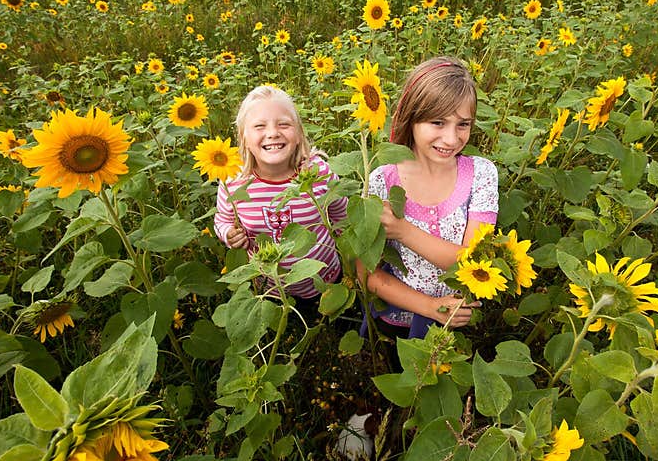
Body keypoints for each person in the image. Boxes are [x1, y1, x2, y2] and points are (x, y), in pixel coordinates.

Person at [359, 55, 499, 349]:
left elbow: (473, 260)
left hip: (458, 318)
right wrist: (429, 306)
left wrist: (403, 231)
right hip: (395, 317)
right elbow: (365, 273)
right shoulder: (382, 181)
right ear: (412, 118)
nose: (451, 138)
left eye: (463, 124)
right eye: (437, 122)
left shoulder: (481, 175)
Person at [214, 84, 348, 302]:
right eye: (259, 126)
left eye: (284, 124)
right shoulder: (233, 182)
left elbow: (341, 216)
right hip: (270, 287)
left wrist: (350, 258)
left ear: (298, 134)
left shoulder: (317, 173)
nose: (272, 133)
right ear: (244, 138)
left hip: (324, 281)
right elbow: (222, 219)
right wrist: (229, 234)